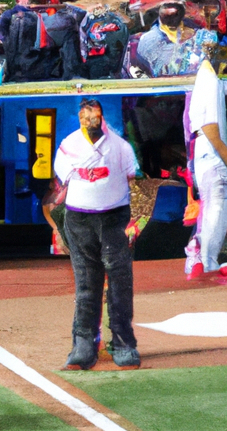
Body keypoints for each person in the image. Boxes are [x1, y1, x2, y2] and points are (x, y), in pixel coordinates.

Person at [51, 99, 140, 369]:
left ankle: (124, 342)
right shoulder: (68, 146)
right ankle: (83, 343)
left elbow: (133, 183)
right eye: (86, 119)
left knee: (119, 282)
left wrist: (136, 220)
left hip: (115, 219)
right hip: (80, 221)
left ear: (103, 119)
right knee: (86, 284)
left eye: (96, 118)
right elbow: (61, 186)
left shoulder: (121, 147)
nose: (91, 124)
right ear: (80, 119)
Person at [185, 41, 227, 282]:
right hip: (212, 150)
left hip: (205, 151)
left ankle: (199, 251)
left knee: (213, 205)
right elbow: (211, 129)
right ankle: (206, 261)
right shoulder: (209, 78)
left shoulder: (205, 76)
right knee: (217, 205)